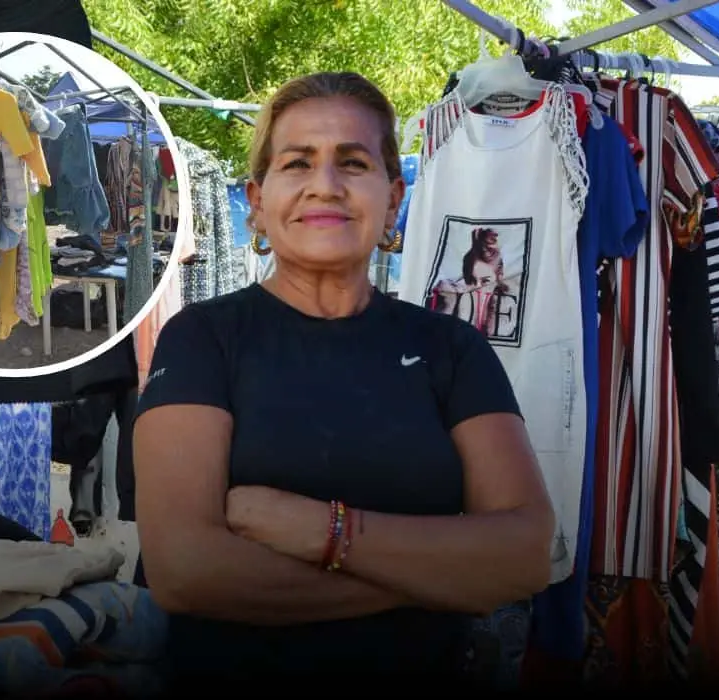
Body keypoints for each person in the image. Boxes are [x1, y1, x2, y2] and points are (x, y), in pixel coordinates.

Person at [131, 72, 555, 688]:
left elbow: (524, 553)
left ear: (393, 198)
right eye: (298, 163)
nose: (324, 186)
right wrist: (439, 577)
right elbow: (185, 571)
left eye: (353, 163)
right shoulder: (203, 338)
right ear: (255, 200)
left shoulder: (450, 347)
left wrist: (325, 533)